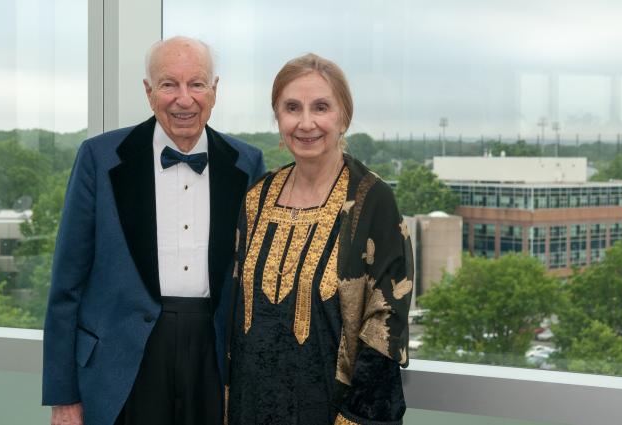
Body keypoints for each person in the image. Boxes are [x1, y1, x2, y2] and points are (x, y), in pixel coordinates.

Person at [42, 36, 265, 425]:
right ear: (148, 91)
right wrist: (64, 398)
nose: (184, 99)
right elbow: (66, 286)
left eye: (196, 84)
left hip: (213, 358)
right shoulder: (98, 157)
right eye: (168, 84)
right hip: (122, 362)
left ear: (214, 91)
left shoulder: (248, 164)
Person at [226, 53, 413, 425]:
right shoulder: (257, 197)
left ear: (343, 116)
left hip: (332, 413)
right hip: (251, 408)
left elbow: (385, 326)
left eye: (321, 107)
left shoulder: (372, 200)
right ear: (278, 117)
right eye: (292, 107)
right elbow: (235, 319)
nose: (306, 122)